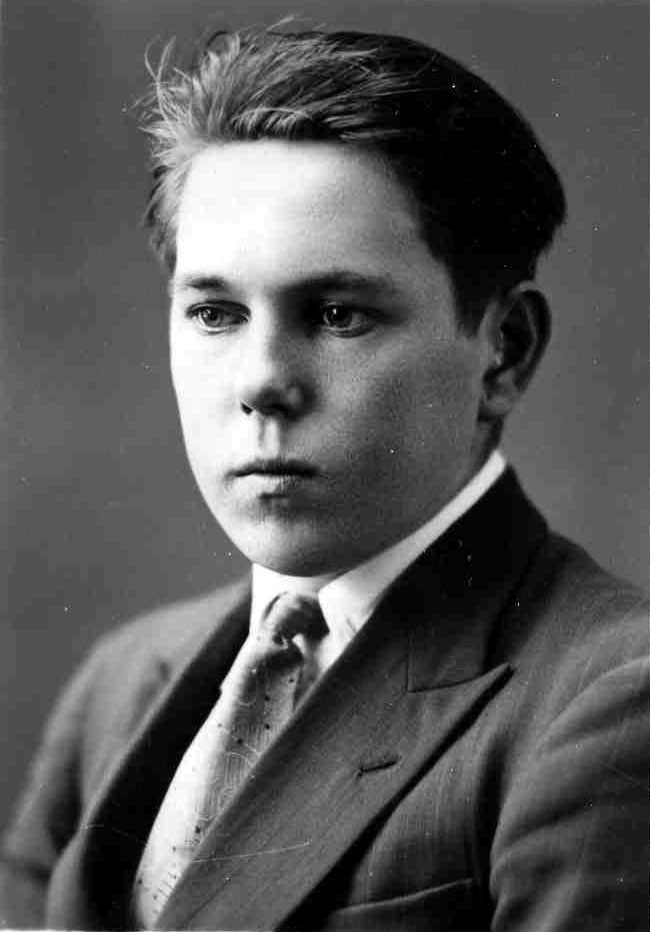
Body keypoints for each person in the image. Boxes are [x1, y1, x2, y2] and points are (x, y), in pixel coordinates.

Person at [0, 26, 646, 932]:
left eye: (339, 314)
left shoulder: (609, 701)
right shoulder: (123, 682)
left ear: (503, 351)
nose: (262, 382)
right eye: (215, 313)